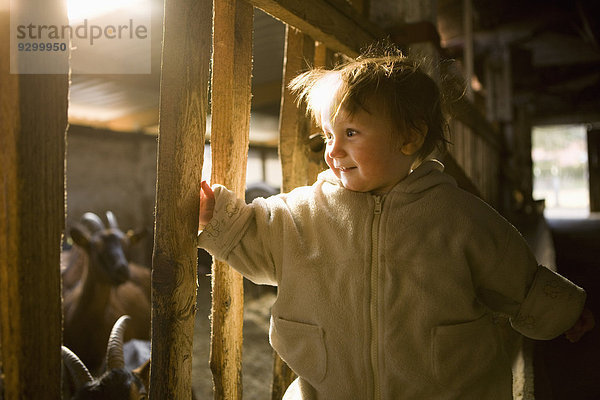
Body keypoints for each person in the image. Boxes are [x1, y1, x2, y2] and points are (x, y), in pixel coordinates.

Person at [197, 49, 594, 399]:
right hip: (329, 389)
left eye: (351, 133)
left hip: (445, 388)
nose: (333, 150)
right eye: (328, 135)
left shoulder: (457, 215)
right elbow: (253, 233)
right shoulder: (303, 212)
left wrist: (561, 310)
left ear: (409, 137)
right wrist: (216, 217)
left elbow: (514, 274)